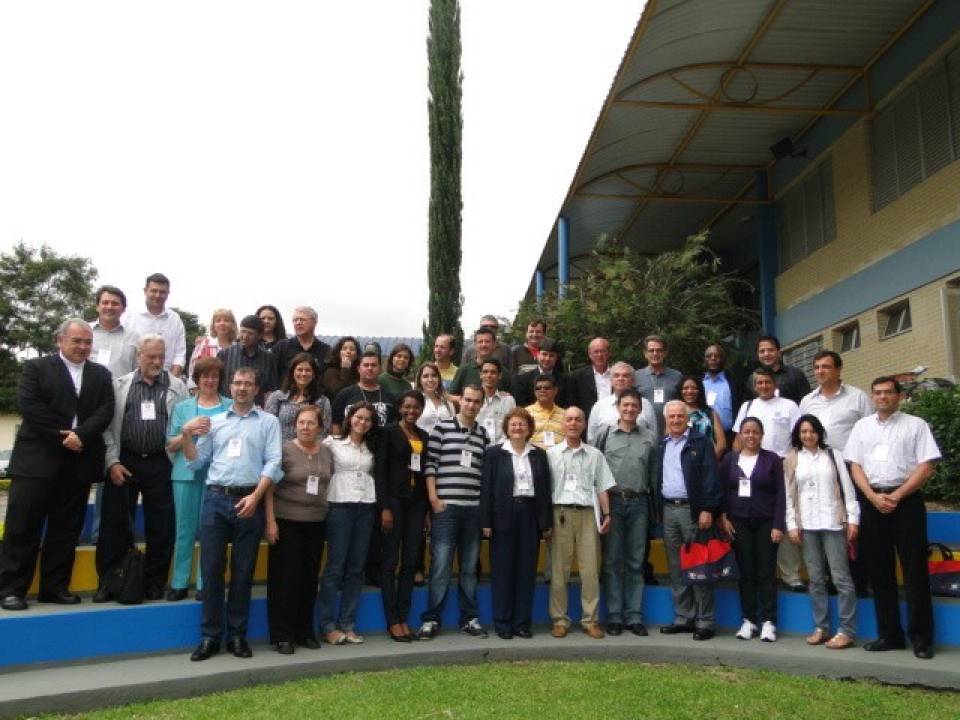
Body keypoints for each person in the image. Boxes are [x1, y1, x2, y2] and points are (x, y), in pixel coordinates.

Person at [0, 319, 114, 611]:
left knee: (66, 529)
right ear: (60, 341)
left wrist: (82, 435)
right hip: (37, 462)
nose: (83, 347)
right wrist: (67, 436)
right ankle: (11, 589)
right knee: (23, 526)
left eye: (88, 342)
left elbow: (105, 410)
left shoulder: (100, 374)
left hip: (77, 464)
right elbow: (30, 408)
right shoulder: (36, 368)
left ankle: (55, 587)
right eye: (77, 341)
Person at [183, 366, 283, 661]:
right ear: (230, 386)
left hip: (250, 500)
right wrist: (187, 434)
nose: (241, 388)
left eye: (247, 384)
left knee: (243, 572)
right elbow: (196, 462)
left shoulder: (269, 422)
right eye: (237, 383)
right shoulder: (213, 423)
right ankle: (210, 637)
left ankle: (237, 635)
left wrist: (255, 496)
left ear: (256, 388)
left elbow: (274, 462)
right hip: (216, 500)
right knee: (211, 570)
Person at [844, 376, 941, 659]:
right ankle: (890, 635)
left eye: (888, 392)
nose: (882, 397)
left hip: (907, 502)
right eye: (877, 393)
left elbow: (926, 466)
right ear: (872, 397)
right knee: (880, 572)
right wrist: (872, 497)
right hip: (872, 502)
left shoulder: (916, 425)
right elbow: (855, 466)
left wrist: (897, 495)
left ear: (898, 396)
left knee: (914, 571)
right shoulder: (862, 427)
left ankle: (921, 639)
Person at [96, 334, 188, 602]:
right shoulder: (119, 385)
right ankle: (111, 581)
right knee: (115, 525)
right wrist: (112, 461)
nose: (157, 361)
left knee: (161, 527)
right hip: (126, 461)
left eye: (162, 356)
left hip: (162, 462)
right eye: (151, 356)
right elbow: (108, 428)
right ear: (139, 356)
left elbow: (184, 424)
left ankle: (153, 582)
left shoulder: (177, 387)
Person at [417, 385, 491, 640]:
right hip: (446, 509)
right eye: (467, 400)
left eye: (476, 402)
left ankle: (469, 618)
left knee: (470, 568)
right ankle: (431, 620)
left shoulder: (483, 435)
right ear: (461, 402)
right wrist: (433, 499)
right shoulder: (441, 428)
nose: (471, 405)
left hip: (472, 510)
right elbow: (430, 465)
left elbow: (484, 475)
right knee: (440, 567)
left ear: (481, 404)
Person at [799, 350, 872, 596]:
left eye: (826, 366)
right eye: (817, 367)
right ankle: (831, 579)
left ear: (839, 369)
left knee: (853, 525)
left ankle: (859, 579)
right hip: (819, 473)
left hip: (851, 470)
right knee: (825, 524)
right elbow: (803, 435)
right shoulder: (808, 401)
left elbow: (871, 434)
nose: (820, 371)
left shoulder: (858, 398)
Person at [784, 414, 859, 649]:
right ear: (798, 434)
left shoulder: (833, 456)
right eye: (803, 431)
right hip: (807, 525)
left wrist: (853, 518)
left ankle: (846, 630)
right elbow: (788, 495)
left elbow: (848, 489)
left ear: (819, 433)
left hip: (833, 523)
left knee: (841, 579)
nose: (808, 435)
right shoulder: (791, 459)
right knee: (816, 580)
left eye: (812, 431)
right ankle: (821, 627)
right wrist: (792, 525)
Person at [264, 405, 332, 654]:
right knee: (286, 580)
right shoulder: (284, 451)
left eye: (311, 423)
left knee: (308, 579)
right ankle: (283, 635)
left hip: (316, 523)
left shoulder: (326, 452)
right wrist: (270, 522)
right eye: (301, 423)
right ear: (295, 426)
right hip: (287, 522)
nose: (305, 427)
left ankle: (305, 631)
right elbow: (269, 488)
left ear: (320, 427)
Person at [481, 407, 552, 639]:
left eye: (522, 424)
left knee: (526, 571)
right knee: (502, 571)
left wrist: (545, 522)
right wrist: (486, 521)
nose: (517, 427)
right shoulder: (494, 454)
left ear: (529, 428)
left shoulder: (539, 455)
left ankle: (522, 623)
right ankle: (503, 623)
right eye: (513, 424)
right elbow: (486, 490)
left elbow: (544, 491)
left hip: (530, 514)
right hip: (503, 515)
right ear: (507, 428)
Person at [164, 356, 230, 601]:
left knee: (212, 533)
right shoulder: (182, 408)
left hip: (218, 477)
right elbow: (170, 445)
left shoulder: (230, 406)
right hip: (185, 475)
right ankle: (180, 582)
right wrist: (188, 431)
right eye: (205, 376)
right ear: (197, 379)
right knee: (184, 529)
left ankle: (206, 583)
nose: (210, 380)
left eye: (214, 376)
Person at [733, 368, 803, 591]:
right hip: (751, 468)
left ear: (775, 383)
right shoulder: (748, 406)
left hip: (782, 465)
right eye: (759, 383)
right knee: (756, 520)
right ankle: (758, 574)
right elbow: (738, 439)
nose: (763, 386)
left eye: (767, 382)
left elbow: (798, 438)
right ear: (755, 386)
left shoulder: (789, 406)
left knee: (783, 516)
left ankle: (791, 574)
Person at [547, 406, 613, 639]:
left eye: (578, 419)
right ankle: (559, 620)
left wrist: (607, 515)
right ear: (562, 424)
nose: (573, 423)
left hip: (587, 515)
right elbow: (546, 490)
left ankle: (591, 620)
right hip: (560, 513)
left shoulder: (595, 455)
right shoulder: (551, 454)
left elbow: (602, 486)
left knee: (590, 571)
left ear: (584, 424)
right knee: (558, 570)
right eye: (569, 419)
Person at [657, 400, 721, 641]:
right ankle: (684, 617)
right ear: (666, 419)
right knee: (676, 568)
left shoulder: (700, 442)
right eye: (671, 416)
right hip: (668, 511)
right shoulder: (661, 444)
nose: (675, 420)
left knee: (699, 567)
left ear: (687, 418)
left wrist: (707, 508)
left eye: (679, 416)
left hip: (693, 511)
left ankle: (705, 621)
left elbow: (711, 478)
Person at [595, 389, 657, 636]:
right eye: (626, 405)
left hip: (640, 503)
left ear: (640, 409)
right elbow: (597, 471)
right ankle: (614, 617)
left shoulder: (650, 438)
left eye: (634, 406)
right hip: (613, 504)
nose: (630, 409)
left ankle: (633, 616)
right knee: (611, 562)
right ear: (618, 408)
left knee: (635, 561)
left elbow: (653, 473)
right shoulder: (605, 434)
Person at [718, 417, 785, 643]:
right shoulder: (730, 459)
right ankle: (749, 620)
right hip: (738, 524)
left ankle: (768, 621)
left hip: (766, 523)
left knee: (766, 573)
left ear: (761, 435)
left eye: (755, 432)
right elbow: (723, 490)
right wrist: (724, 516)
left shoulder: (772, 460)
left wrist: (778, 525)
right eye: (746, 432)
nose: (750, 436)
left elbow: (781, 495)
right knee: (746, 573)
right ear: (740, 435)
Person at [318, 402, 379, 645]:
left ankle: (347, 624)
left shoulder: (372, 448)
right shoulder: (332, 443)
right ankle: (327, 625)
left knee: (356, 569)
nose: (362, 422)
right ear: (349, 418)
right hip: (340, 507)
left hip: (365, 507)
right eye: (358, 417)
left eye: (367, 419)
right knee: (335, 566)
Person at [376, 391, 430, 642]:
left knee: (410, 562)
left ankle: (403, 617)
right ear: (400, 408)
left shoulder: (424, 436)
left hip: (417, 504)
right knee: (389, 562)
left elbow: (425, 474)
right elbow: (381, 471)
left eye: (416, 407)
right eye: (407, 406)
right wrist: (384, 507)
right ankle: (392, 620)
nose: (411, 411)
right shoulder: (387, 433)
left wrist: (428, 510)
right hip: (394, 504)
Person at [125, 273, 187, 377]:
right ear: (145, 291)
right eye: (154, 291)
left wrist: (171, 382)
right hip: (135, 382)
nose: (158, 295)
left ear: (168, 293)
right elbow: (126, 353)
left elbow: (179, 355)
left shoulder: (175, 319)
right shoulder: (130, 317)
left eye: (162, 292)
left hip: (167, 381)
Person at [264, 352, 332, 441]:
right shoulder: (277, 397)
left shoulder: (322, 401)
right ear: (293, 372)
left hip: (309, 452)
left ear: (314, 374)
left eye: (308, 370)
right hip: (280, 451)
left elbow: (324, 433)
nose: (303, 373)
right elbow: (267, 428)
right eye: (300, 369)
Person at [587, 362, 656, 443]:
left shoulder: (645, 404)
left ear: (633, 381)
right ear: (611, 380)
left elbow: (654, 437)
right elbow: (591, 439)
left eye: (625, 376)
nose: (620, 378)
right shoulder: (599, 406)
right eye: (616, 375)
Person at [330, 351, 398, 435]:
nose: (370, 368)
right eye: (366, 365)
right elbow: (335, 424)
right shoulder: (344, 395)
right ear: (359, 369)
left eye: (373, 365)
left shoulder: (390, 397)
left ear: (380, 369)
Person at [216, 315, 278, 405]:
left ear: (260, 335)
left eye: (250, 333)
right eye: (242, 332)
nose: (245, 337)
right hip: (227, 408)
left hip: (256, 411)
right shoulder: (225, 354)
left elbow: (272, 390)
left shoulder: (268, 358)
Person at [634, 335, 682, 437]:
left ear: (665, 353)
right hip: (643, 433)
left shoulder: (677, 376)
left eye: (659, 350)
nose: (655, 354)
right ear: (645, 353)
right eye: (651, 350)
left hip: (672, 432)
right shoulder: (636, 376)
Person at [449, 326, 512, 400]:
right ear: (475, 345)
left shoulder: (504, 373)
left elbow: (511, 398)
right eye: (480, 342)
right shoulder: (463, 371)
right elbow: (450, 396)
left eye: (487, 341)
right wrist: (465, 400)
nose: (484, 345)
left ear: (494, 344)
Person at [273, 306, 331, 385]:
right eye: (295, 320)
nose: (298, 323)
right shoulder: (282, 347)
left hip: (315, 395)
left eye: (302, 320)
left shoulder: (326, 350)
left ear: (314, 322)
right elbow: (273, 375)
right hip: (286, 395)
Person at [745, 335, 811, 404]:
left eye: (770, 350)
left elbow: (807, 403)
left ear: (779, 352)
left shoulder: (795, 374)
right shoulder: (752, 379)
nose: (766, 354)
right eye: (762, 351)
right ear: (757, 355)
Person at [90, 285, 139, 378]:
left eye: (115, 303)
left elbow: (138, 371)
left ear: (123, 308)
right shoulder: (85, 331)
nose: (109, 307)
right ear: (97, 307)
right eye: (105, 303)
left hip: (122, 391)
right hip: (89, 391)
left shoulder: (134, 337)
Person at [677, 375, 726, 458]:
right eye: (685, 388)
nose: (690, 391)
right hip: (680, 465)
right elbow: (669, 440)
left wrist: (709, 463)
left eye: (694, 388)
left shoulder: (710, 413)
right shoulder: (675, 413)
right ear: (680, 391)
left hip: (707, 463)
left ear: (699, 391)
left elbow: (722, 444)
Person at [512, 339, 571, 408]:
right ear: (537, 354)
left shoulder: (566, 380)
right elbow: (521, 407)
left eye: (551, 356)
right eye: (544, 354)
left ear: (556, 358)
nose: (547, 359)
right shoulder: (522, 380)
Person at [702, 343, 740, 446]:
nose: (713, 358)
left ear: (723, 359)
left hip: (730, 437)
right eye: (709, 356)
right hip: (702, 437)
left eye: (717, 356)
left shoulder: (734, 382)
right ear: (704, 360)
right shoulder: (698, 383)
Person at [475, 358, 516, 444]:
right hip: (477, 445)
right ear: (480, 374)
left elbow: (512, 427)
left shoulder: (508, 400)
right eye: (485, 372)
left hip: (501, 449)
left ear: (500, 375)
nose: (489, 375)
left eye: (493, 372)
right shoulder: (472, 399)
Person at [188, 309, 237, 379]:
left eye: (226, 320)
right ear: (213, 325)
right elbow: (192, 369)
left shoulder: (237, 348)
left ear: (232, 325)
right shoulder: (204, 344)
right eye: (218, 321)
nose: (222, 323)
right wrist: (194, 388)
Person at [569, 337, 612, 414]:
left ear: (609, 353)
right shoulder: (578, 376)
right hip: (588, 422)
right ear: (590, 354)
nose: (599, 355)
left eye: (603, 351)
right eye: (596, 352)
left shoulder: (618, 375)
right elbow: (573, 404)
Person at [414, 361, 456, 434]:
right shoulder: (415, 401)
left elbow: (453, 428)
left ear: (439, 379)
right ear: (420, 380)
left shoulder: (448, 403)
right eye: (425, 376)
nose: (430, 380)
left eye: (434, 375)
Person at [526, 374, 565, 449]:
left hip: (558, 458)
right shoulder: (526, 413)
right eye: (538, 388)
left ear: (555, 390)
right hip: (535, 457)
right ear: (534, 391)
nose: (542, 390)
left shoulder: (565, 414)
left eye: (547, 388)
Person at [321, 336, 360, 401]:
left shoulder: (359, 371)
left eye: (352, 349)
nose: (348, 351)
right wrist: (345, 369)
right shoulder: (330, 372)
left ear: (356, 354)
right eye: (344, 349)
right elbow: (339, 392)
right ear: (339, 353)